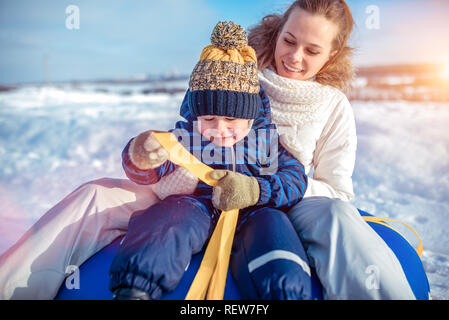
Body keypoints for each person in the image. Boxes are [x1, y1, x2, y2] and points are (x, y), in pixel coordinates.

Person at [0, 0, 416, 300]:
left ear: (333, 54)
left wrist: (261, 188)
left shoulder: (332, 105)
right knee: (96, 194)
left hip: (286, 200)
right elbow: (187, 128)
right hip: (197, 186)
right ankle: (14, 287)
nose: (294, 56)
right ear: (277, 31)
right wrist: (148, 156)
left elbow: (338, 190)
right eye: (290, 40)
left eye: (312, 50)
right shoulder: (237, 70)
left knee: (340, 218)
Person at [109, 21, 310, 300]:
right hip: (198, 206)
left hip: (253, 210)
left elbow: (295, 179)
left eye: (231, 119)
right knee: (171, 215)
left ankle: (283, 291)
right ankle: (136, 286)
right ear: (196, 114)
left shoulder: (266, 143)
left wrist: (257, 190)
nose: (219, 128)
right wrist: (143, 155)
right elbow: (152, 167)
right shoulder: (186, 138)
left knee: (272, 225)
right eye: (208, 118)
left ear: (250, 117)